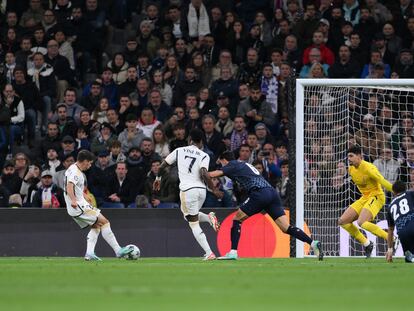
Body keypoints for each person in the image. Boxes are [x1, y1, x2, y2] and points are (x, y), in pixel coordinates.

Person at [209, 151, 322, 260]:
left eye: (221, 163)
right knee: (285, 227)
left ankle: (233, 252)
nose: (222, 166)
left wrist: (199, 171)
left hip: (259, 193)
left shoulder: (232, 164)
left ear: (225, 160)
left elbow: (212, 174)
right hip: (272, 193)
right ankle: (312, 243)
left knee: (237, 219)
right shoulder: (244, 164)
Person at [153, 129, 220, 260]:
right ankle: (208, 217)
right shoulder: (204, 155)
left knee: (193, 223)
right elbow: (204, 173)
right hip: (202, 191)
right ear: (201, 142)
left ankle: (209, 253)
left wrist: (158, 179)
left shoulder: (179, 151)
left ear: (189, 140)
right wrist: (214, 190)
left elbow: (162, 167)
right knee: (188, 216)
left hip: (187, 190)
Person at [63, 150, 133, 261]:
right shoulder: (76, 173)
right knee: (105, 222)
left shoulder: (72, 168)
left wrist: (83, 196)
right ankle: (118, 250)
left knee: (96, 226)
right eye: (89, 163)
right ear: (84, 161)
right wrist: (73, 200)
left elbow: (74, 187)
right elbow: (69, 186)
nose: (90, 165)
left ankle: (89, 253)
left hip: (75, 207)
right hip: (79, 206)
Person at [338, 145, 393, 258]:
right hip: (365, 197)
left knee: (362, 222)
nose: (349, 159)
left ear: (360, 156)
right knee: (343, 221)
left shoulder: (369, 168)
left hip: (377, 196)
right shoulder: (351, 170)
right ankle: (367, 244)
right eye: (348, 156)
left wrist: (397, 192)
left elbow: (382, 181)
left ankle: (391, 238)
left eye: (351, 156)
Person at [386, 181, 414, 263]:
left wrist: (390, 250)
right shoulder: (410, 194)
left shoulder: (390, 206)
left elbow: (390, 230)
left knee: (409, 259)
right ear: (405, 189)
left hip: (402, 233)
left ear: (393, 192)